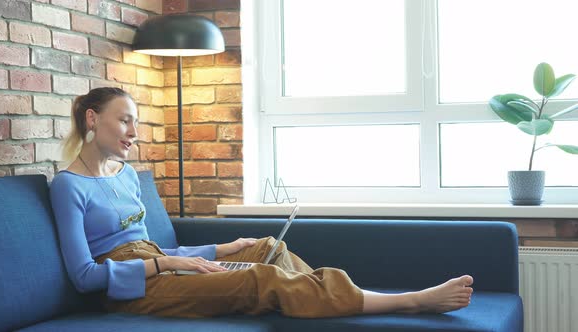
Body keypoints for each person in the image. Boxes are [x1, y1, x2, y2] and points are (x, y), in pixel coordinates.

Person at [49, 87, 474, 319]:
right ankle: (407, 301)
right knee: (259, 279)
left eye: (135, 123)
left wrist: (219, 250)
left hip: (158, 263)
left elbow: (161, 250)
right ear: (92, 119)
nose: (133, 132)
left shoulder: (126, 177)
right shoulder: (69, 186)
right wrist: (167, 264)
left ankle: (353, 297)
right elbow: (86, 277)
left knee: (269, 248)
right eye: (125, 120)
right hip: (130, 289)